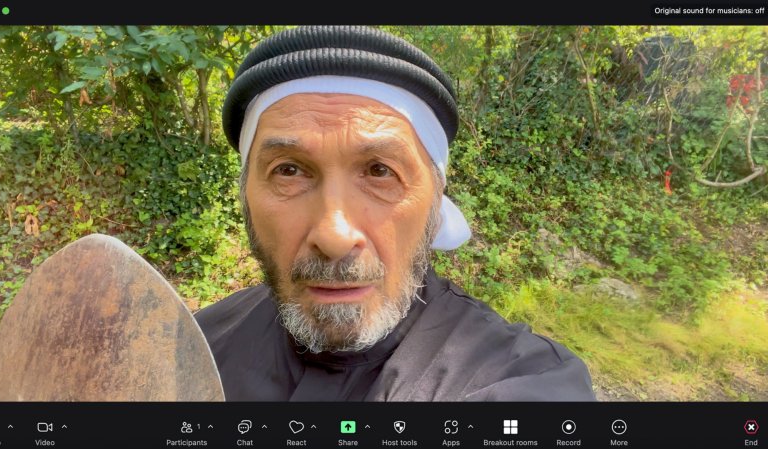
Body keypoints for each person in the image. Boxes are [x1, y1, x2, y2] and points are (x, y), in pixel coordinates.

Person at [194, 26, 596, 401]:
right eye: (289, 170)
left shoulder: (520, 379)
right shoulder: (193, 341)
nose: (334, 237)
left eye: (380, 171)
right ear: (245, 194)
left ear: (436, 199)